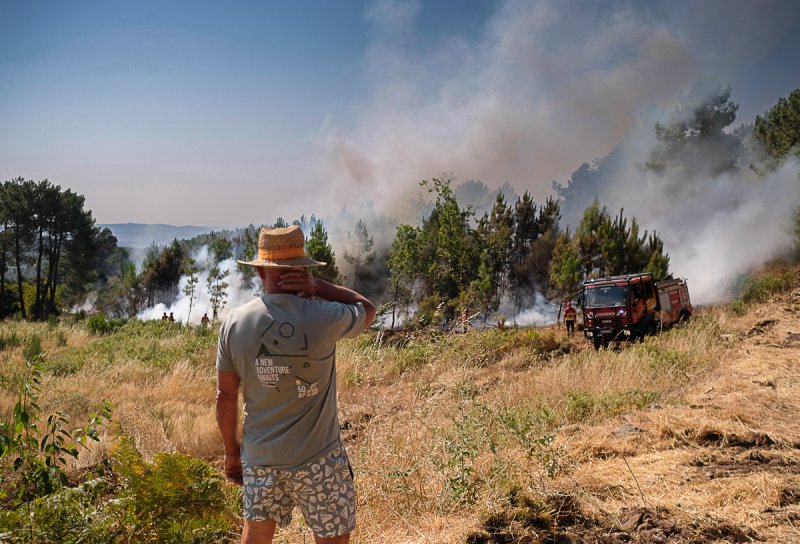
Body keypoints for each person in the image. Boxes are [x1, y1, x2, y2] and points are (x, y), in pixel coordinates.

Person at [216, 225, 376, 544]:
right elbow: (367, 309)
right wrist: (319, 287)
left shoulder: (234, 322)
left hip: (260, 457)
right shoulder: (323, 316)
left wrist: (232, 454)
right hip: (319, 457)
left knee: (256, 537)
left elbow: (225, 396)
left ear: (261, 270)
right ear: (302, 268)